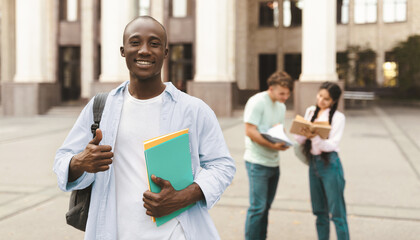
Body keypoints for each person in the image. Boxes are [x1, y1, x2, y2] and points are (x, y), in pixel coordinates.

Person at [53, 16, 235, 240]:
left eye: (155, 43)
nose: (145, 50)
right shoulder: (101, 107)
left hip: (176, 233)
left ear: (166, 53)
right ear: (123, 50)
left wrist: (185, 196)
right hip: (113, 231)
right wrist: (80, 162)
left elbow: (222, 165)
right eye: (135, 42)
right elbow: (63, 159)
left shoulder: (194, 109)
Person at [294, 82, 349, 240]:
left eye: (326, 99)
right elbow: (301, 140)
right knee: (319, 212)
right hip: (314, 164)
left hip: (330, 164)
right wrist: (301, 132)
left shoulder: (338, 118)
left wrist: (316, 136)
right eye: (320, 96)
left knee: (337, 213)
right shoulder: (311, 111)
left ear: (334, 101)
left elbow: (331, 145)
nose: (321, 101)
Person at [243, 71, 293, 240]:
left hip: (274, 162)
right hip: (256, 162)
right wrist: (273, 145)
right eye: (282, 93)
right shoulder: (257, 102)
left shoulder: (281, 105)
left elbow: (278, 128)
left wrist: (283, 139)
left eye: (287, 93)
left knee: (266, 207)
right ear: (271, 89)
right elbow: (250, 131)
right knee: (257, 208)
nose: (285, 97)